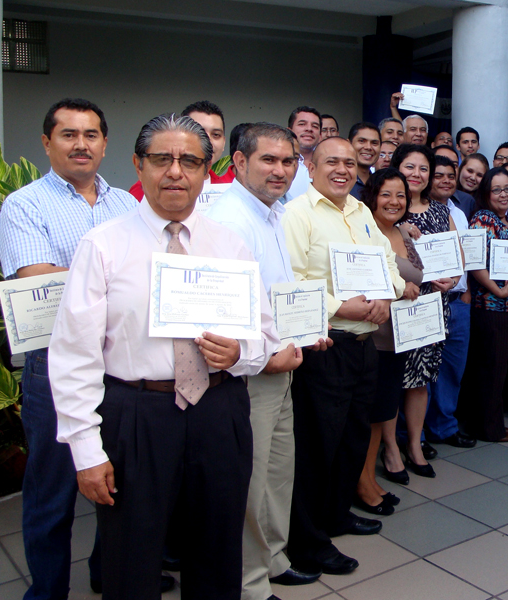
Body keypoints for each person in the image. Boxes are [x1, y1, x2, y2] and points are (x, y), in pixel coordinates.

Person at [50, 113, 278, 599]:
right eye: (161, 159)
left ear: (206, 170)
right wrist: (87, 452)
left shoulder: (229, 244)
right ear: (138, 165)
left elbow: (264, 338)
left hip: (219, 409)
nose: (176, 171)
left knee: (218, 550)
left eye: (190, 161)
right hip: (136, 413)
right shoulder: (104, 245)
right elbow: (74, 356)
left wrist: (239, 352)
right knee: (130, 554)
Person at [0, 98, 136, 600]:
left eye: (92, 134)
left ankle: (106, 573)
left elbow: (150, 271)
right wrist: (120, 278)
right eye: (69, 134)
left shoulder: (125, 204)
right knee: (52, 493)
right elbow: (35, 278)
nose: (82, 144)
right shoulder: (25, 205)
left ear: (104, 143)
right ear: (46, 143)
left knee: (116, 483)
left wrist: (86, 277)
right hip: (53, 367)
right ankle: (48, 591)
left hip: (119, 364)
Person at [204, 123, 326, 599]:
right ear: (238, 162)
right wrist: (266, 354)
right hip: (251, 372)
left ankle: (273, 558)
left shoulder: (270, 213)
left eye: (288, 161)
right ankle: (248, 582)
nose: (280, 170)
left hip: (282, 362)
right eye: (268, 160)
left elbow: (274, 295)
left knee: (278, 471)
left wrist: (303, 332)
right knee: (250, 484)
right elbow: (228, 310)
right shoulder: (231, 218)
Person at [282, 136, 406, 579]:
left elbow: (390, 268)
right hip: (326, 345)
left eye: (350, 163)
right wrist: (341, 307)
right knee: (317, 446)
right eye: (331, 161)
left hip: (365, 343)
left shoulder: (362, 212)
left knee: (352, 438)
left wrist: (386, 297)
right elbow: (292, 280)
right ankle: (307, 542)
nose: (342, 169)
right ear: (310, 167)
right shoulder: (296, 214)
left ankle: (336, 515)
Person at [390, 144, 461, 476]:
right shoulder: (385, 209)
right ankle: (390, 447)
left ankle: (415, 444)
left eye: (422, 169)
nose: (416, 175)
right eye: (409, 167)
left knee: (420, 379)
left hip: (433, 305)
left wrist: (453, 276)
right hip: (397, 305)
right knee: (391, 380)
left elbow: (455, 257)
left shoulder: (440, 210)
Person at [356, 168, 423, 510]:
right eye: (386, 194)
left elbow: (422, 271)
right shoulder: (362, 232)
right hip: (374, 335)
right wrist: (399, 288)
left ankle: (368, 479)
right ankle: (364, 484)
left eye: (401, 195)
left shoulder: (405, 232)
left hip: (402, 336)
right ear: (371, 197)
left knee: (383, 409)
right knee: (370, 413)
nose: (394, 201)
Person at [462, 167, 508, 442]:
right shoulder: (484, 219)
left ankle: (492, 420)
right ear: (486, 193)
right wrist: (498, 292)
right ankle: (488, 428)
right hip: (492, 307)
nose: (503, 194)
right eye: (497, 189)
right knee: (491, 367)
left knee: (498, 366)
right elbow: (475, 263)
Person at [425, 157, 477, 447]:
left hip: (458, 301)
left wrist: (465, 290)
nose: (445, 180)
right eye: (439, 175)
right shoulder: (417, 213)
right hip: (429, 300)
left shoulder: (458, 211)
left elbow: (465, 255)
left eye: (450, 176)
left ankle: (445, 427)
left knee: (452, 369)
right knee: (424, 370)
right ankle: (417, 434)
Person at [129, 100, 233, 200]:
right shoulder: (144, 189)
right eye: (198, 131)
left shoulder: (229, 191)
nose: (208, 141)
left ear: (224, 142)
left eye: (216, 135)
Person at [287, 106, 322, 198]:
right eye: (302, 124)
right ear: (289, 131)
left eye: (315, 126)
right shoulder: (279, 165)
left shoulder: (326, 164)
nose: (309, 129)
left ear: (320, 136)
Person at [348, 122, 382, 198]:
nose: (368, 147)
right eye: (362, 141)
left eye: (374, 143)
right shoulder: (339, 180)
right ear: (348, 144)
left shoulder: (380, 184)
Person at [456, 153, 489, 218]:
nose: (473, 178)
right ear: (460, 169)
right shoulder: (447, 197)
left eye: (479, 175)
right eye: (470, 171)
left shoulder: (486, 206)